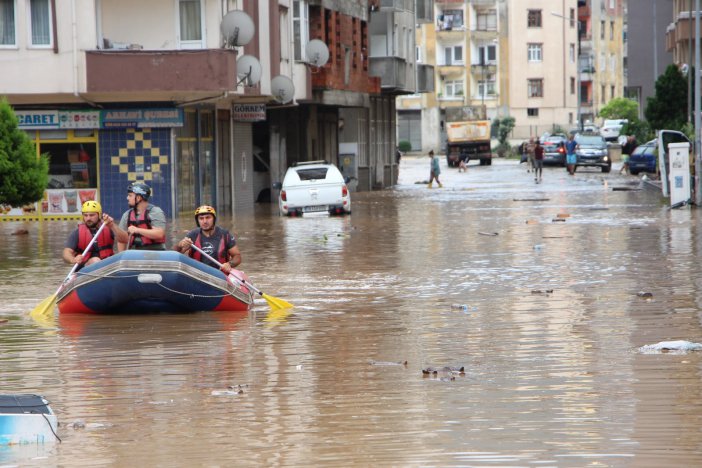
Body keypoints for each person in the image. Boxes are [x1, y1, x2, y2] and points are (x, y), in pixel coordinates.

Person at [174, 205, 242, 274]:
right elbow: (175, 254)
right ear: (198, 221)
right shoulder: (192, 235)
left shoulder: (225, 235)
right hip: (198, 275)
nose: (205, 221)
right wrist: (180, 245)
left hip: (220, 276)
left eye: (208, 217)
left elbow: (237, 256)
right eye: (201, 218)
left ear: (214, 219)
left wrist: (229, 264)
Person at [113, 182, 167, 251]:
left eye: (130, 195)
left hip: (155, 251)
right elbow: (121, 240)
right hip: (135, 253)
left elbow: (159, 234)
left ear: (138, 198)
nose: (127, 198)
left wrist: (137, 230)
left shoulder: (155, 212)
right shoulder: (127, 215)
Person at [63, 201, 116, 268]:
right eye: (85, 215)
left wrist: (113, 225)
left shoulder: (108, 228)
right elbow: (66, 252)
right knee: (95, 261)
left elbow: (124, 240)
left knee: (98, 261)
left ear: (99, 215)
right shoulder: (77, 233)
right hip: (86, 268)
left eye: (92, 215)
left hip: (107, 265)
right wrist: (73, 259)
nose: (88, 218)